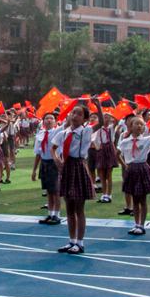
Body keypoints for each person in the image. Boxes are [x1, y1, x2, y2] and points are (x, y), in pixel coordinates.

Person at [52, 103, 99, 253]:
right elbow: (53, 148)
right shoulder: (63, 133)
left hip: (78, 167)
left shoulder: (86, 131)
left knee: (79, 208)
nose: (75, 116)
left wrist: (98, 105)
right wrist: (56, 159)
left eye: (79, 114)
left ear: (85, 119)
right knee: (69, 208)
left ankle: (80, 242)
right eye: (73, 113)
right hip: (66, 168)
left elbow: (100, 123)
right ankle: (71, 241)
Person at [117, 115, 150, 236]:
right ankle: (136, 224)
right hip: (131, 170)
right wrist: (125, 165)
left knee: (142, 199)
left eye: (141, 124)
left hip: (142, 168)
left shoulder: (146, 139)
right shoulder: (125, 141)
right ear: (130, 126)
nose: (139, 126)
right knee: (135, 199)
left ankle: (142, 225)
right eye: (136, 124)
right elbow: (117, 153)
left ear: (144, 128)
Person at [30, 112, 63, 225]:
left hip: (54, 163)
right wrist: (34, 170)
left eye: (51, 118)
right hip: (44, 163)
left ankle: (57, 215)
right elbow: (38, 153)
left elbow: (67, 124)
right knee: (49, 191)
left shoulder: (58, 131)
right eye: (47, 118)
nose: (49, 120)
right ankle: (50, 214)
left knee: (56, 190)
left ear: (55, 121)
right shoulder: (40, 134)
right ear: (43, 121)